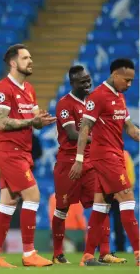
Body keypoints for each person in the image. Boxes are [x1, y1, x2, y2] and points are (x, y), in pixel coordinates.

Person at [0, 44, 56, 268]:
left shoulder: (29, 89)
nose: (30, 61)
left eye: (31, 57)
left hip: (23, 152)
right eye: (25, 58)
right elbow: (1, 122)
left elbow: (34, 117)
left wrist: (41, 120)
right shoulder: (2, 88)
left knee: (8, 202)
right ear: (13, 63)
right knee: (33, 196)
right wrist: (31, 121)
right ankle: (29, 253)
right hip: (9, 152)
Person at [52, 65, 126, 265]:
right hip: (69, 163)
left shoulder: (94, 101)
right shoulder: (64, 104)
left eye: (88, 79)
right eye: (82, 81)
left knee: (102, 206)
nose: (87, 84)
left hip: (91, 163)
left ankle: (104, 252)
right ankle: (58, 254)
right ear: (72, 83)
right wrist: (103, 138)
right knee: (62, 209)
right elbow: (72, 134)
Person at [69, 58, 139, 266]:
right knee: (127, 198)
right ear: (115, 75)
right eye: (126, 80)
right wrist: (79, 159)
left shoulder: (119, 97)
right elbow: (84, 129)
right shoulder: (98, 96)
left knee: (101, 206)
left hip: (116, 153)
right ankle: (138, 252)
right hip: (105, 156)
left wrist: (136, 132)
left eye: (132, 81)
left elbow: (129, 127)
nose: (129, 84)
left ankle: (88, 255)